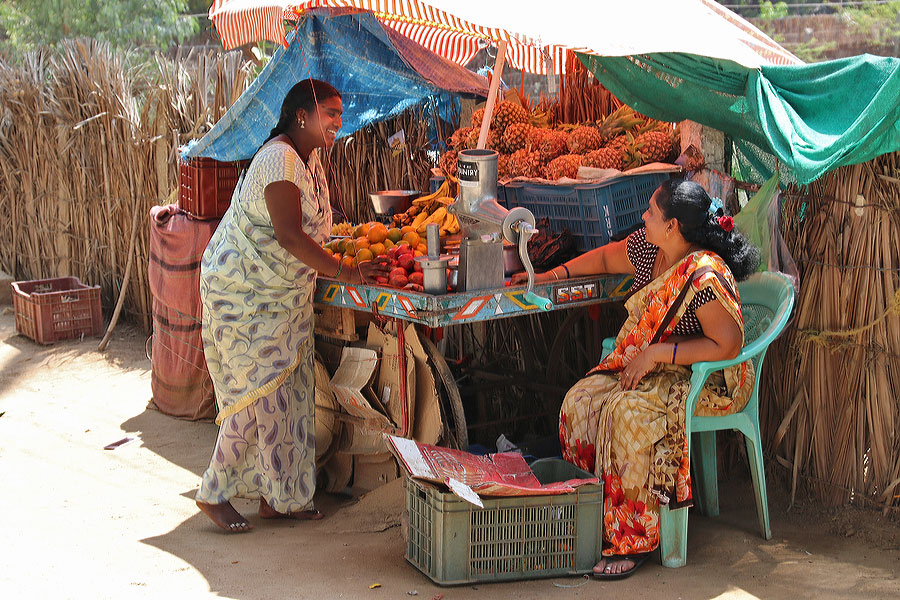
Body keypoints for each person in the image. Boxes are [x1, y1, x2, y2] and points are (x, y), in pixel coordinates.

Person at [513, 179, 760, 578]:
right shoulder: (653, 250)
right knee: (582, 403)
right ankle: (592, 525)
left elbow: (728, 345)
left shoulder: (704, 275)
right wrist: (551, 275)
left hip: (698, 376)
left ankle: (633, 538)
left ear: (673, 226)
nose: (642, 217)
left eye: (650, 212)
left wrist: (661, 353)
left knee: (627, 414)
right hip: (649, 363)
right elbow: (608, 259)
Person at [195, 79, 389, 533]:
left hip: (280, 294)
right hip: (244, 293)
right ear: (302, 115)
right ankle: (213, 491)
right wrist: (345, 271)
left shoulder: (310, 157)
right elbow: (288, 235)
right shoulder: (279, 159)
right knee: (260, 394)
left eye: (341, 114)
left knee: (292, 394)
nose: (339, 123)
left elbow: (314, 226)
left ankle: (281, 497)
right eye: (331, 114)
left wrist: (342, 251)